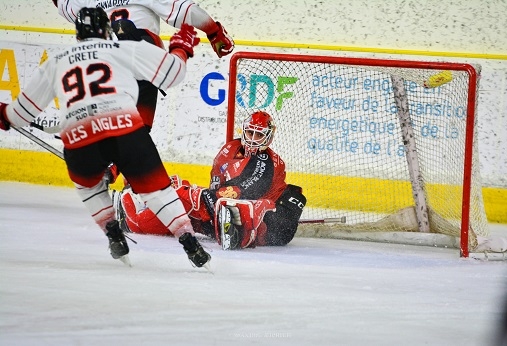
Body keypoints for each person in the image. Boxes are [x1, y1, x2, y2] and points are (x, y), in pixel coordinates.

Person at [0, 7, 211, 269]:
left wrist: (4, 115)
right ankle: (189, 242)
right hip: (126, 130)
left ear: (77, 35)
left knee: (89, 185)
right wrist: (182, 48)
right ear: (107, 30)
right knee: (156, 191)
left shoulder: (56, 62)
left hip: (79, 138)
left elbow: (19, 113)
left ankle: (112, 231)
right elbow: (172, 74)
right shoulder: (123, 49)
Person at [112, 111, 307, 250]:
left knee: (183, 194)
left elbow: (246, 189)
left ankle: (234, 230)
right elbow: (217, 183)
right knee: (175, 215)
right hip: (220, 212)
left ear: (268, 137)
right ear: (244, 130)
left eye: (259, 134)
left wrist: (202, 196)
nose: (253, 139)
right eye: (250, 132)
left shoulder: (268, 162)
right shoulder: (230, 149)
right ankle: (129, 214)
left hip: (264, 221)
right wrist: (206, 199)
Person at [52, 0, 234, 131]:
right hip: (141, 55)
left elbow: (63, 5)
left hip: (104, 62)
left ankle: (110, 163)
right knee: (138, 127)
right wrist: (214, 32)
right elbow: (188, 12)